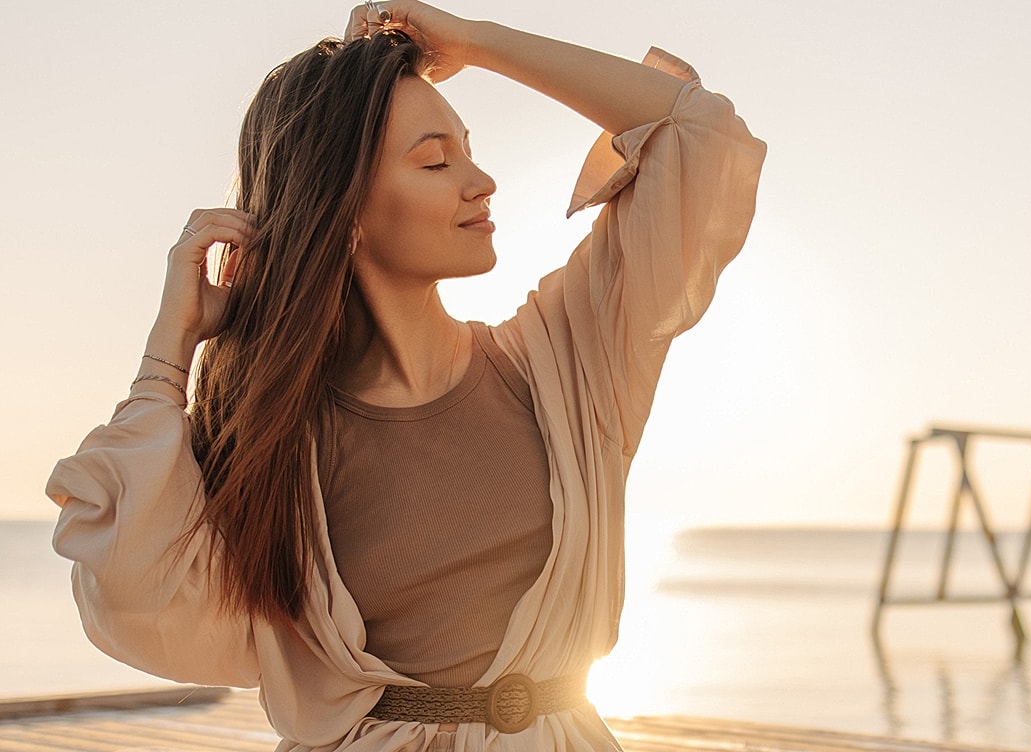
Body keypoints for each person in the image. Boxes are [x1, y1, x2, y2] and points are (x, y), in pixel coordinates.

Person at [47, 2, 765, 750]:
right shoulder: (273, 437)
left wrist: (475, 43)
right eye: (435, 162)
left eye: (469, 150)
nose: (481, 181)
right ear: (347, 211)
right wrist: (171, 346)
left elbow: (699, 133)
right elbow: (130, 593)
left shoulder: (566, 362)